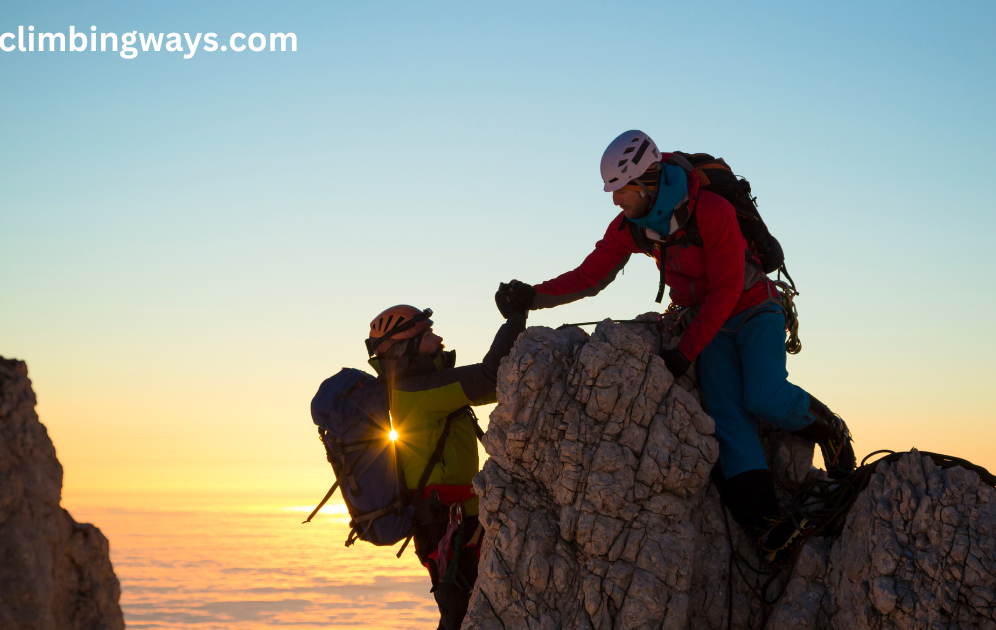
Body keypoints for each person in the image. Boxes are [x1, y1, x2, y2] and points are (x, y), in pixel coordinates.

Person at [493, 130, 856, 561]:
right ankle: (766, 522)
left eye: (621, 190)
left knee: (763, 394)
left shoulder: (712, 210)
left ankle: (829, 429)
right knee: (726, 416)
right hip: (710, 323)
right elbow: (590, 276)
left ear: (647, 181)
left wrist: (685, 353)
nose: (615, 201)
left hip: (755, 308)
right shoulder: (635, 226)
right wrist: (531, 296)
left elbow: (726, 289)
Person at [366, 304, 525, 629]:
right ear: (404, 346)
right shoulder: (416, 392)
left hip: (454, 524)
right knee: (461, 617)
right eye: (427, 334)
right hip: (449, 529)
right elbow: (489, 378)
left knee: (467, 615)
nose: (438, 338)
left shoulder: (420, 387)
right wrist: (516, 317)